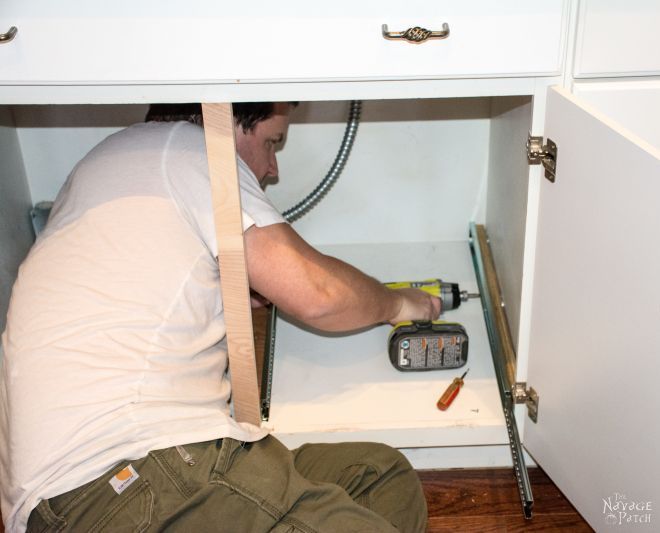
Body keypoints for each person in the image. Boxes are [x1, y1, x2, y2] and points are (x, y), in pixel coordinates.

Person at [0, 102, 441, 532]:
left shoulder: (116, 159)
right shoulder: (191, 149)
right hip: (127, 475)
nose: (272, 168)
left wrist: (223, 286)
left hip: (101, 486)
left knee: (380, 474)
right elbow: (318, 294)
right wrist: (400, 303)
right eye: (273, 142)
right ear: (227, 120)